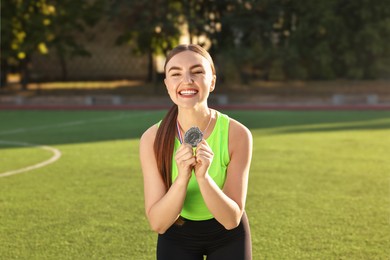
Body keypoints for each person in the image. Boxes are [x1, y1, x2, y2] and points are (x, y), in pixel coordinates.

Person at [139, 44, 253, 260]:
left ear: (212, 82)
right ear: (167, 84)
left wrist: (203, 178)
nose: (187, 80)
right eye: (176, 73)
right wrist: (182, 179)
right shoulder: (152, 139)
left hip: (227, 235)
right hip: (176, 232)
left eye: (197, 71)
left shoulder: (237, 134)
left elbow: (231, 220)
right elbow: (158, 223)